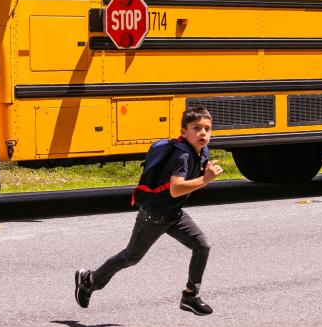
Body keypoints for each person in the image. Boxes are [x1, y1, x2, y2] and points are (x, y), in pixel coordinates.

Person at [74, 106, 222, 315]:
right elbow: (176, 188)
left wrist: (206, 169)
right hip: (154, 215)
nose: (203, 133)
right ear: (183, 132)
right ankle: (89, 281)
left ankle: (191, 295)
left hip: (173, 214)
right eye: (196, 128)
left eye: (207, 129)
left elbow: (196, 170)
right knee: (130, 257)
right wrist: (205, 179)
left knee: (202, 245)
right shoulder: (182, 156)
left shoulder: (200, 150)